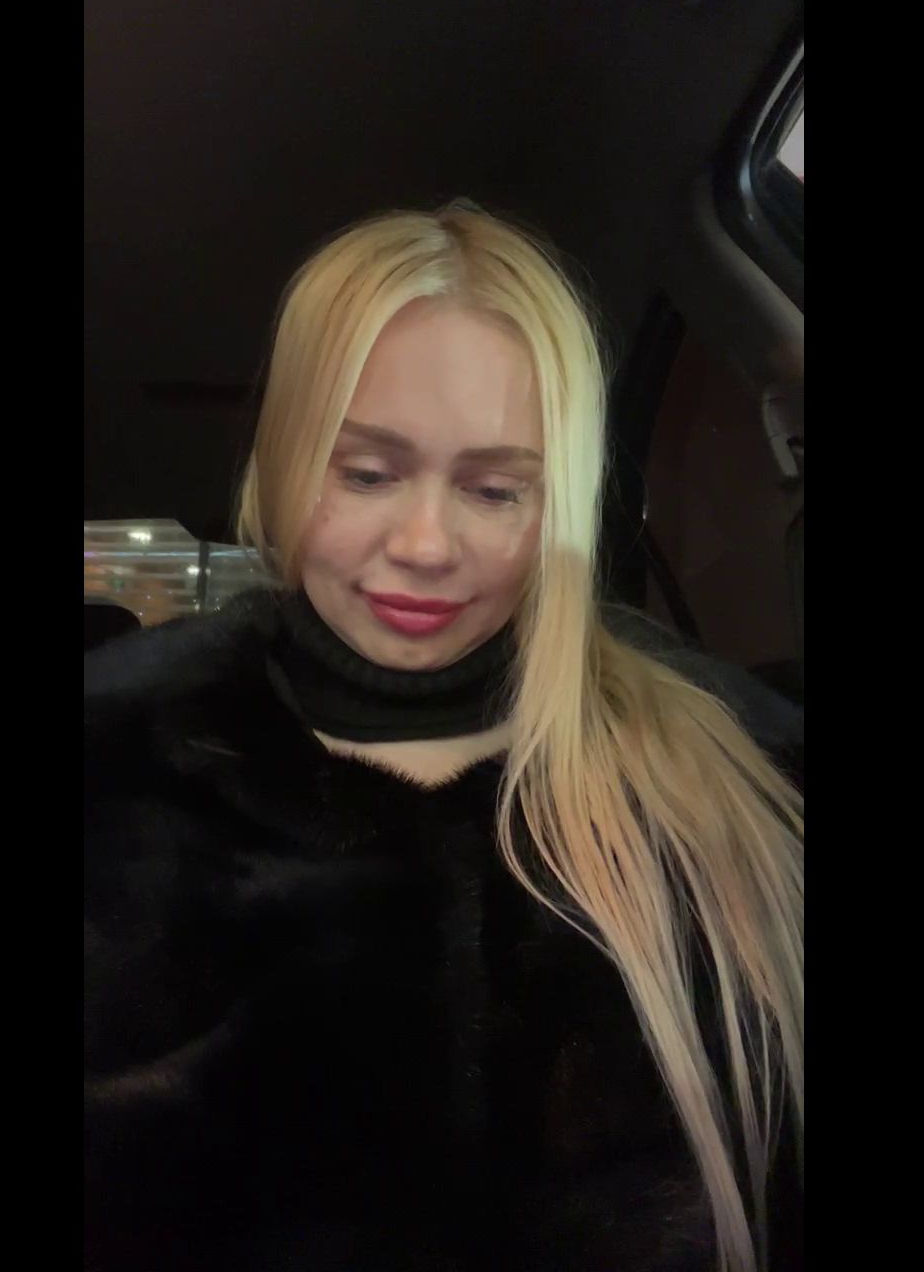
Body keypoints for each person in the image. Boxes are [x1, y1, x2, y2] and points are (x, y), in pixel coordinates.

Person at [84, 201, 803, 1272]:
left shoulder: (737, 776)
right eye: (366, 473)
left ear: (556, 506)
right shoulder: (116, 762)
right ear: (284, 464)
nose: (425, 544)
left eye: (494, 489)